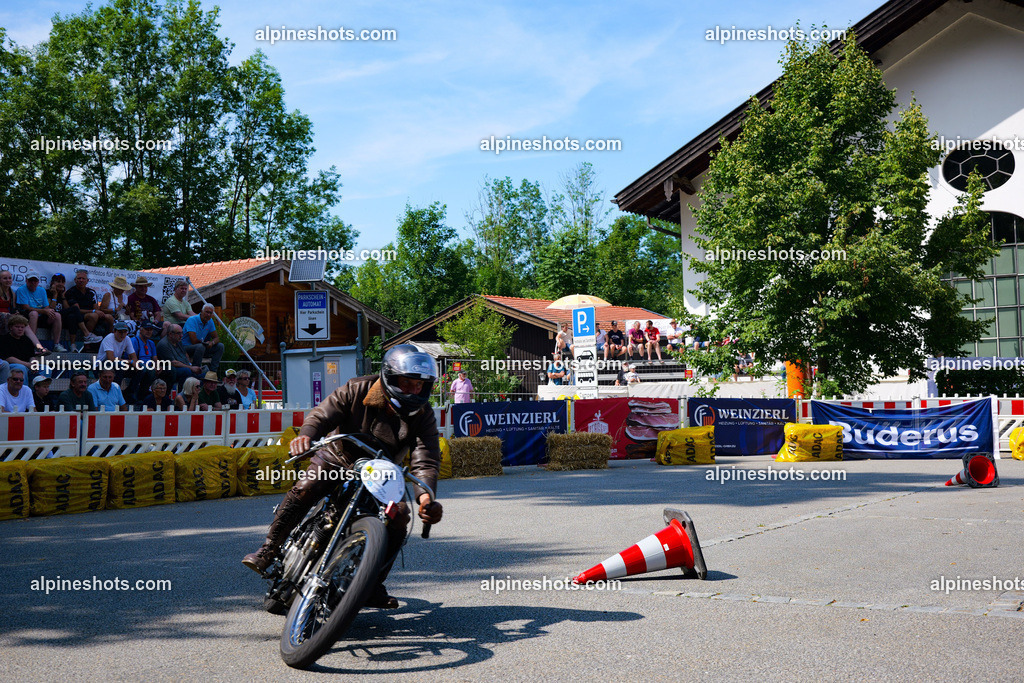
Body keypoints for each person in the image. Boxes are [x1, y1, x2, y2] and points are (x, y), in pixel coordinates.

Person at [242, 344, 444, 610]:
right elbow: (323, 414)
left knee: (400, 517)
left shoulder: (424, 414)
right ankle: (269, 549)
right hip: (338, 457)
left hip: (381, 473)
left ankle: (372, 584)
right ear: (390, 377)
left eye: (419, 385)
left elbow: (426, 459)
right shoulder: (358, 388)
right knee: (306, 487)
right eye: (407, 383)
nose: (414, 391)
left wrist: (426, 498)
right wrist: (306, 436)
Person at [0, 269, 49, 354]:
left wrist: (16, 313)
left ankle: (38, 347)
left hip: (8, 316)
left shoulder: (12, 293)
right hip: (2, 316)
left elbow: (14, 308)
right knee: (10, 319)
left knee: (23, 323)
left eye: (9, 278)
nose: (8, 280)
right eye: (5, 278)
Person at [16, 272, 63, 352]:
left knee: (57, 315)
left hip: (41, 315)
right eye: (31, 280)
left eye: (35, 281)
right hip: (27, 316)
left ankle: (56, 344)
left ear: (38, 282)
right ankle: (32, 344)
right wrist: (44, 311)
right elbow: (25, 307)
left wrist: (48, 311)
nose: (33, 283)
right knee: (34, 314)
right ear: (26, 281)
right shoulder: (21, 289)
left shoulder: (42, 290)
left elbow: (46, 306)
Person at [64, 269, 108, 344]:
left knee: (109, 317)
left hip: (90, 314)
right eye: (79, 278)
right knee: (93, 316)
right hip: (78, 315)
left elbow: (96, 308)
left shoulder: (92, 292)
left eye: (83, 278)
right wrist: (94, 311)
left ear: (87, 281)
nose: (81, 280)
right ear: (75, 280)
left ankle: (108, 341)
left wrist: (97, 312)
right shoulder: (71, 292)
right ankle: (87, 339)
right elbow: (76, 310)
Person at [156, 324, 202, 389]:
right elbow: (173, 363)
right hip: (172, 369)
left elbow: (185, 354)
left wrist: (190, 364)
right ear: (170, 334)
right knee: (187, 371)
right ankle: (183, 392)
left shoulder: (178, 341)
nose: (181, 335)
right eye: (178, 333)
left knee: (204, 374)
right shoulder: (163, 344)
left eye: (182, 333)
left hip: (185, 366)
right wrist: (190, 368)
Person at [183, 304, 224, 373]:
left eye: (210, 313)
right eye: (207, 312)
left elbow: (216, 338)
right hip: (186, 348)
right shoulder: (192, 320)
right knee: (200, 347)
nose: (208, 315)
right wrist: (205, 344)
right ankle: (197, 371)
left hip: (201, 347)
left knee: (220, 346)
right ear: (201, 311)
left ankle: (212, 372)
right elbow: (194, 341)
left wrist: (212, 343)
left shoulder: (210, 321)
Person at [97, 321, 139, 386]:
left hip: (116, 364)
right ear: (114, 331)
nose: (123, 334)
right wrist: (129, 361)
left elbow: (134, 357)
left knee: (141, 368)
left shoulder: (127, 339)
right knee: (120, 365)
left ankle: (131, 391)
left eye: (125, 332)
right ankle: (116, 389)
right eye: (120, 332)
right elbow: (110, 358)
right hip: (101, 365)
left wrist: (134, 364)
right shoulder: (109, 338)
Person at [0, 315, 39, 382]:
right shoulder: (4, 339)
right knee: (21, 368)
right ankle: (23, 388)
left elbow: (31, 356)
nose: (20, 329)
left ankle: (40, 388)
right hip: (11, 365)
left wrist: (33, 364)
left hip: (27, 365)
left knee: (45, 368)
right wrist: (28, 365)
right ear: (11, 327)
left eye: (22, 327)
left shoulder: (27, 340)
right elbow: (8, 358)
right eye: (17, 327)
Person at [128, 320, 160, 402]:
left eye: (151, 329)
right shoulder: (134, 341)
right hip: (135, 365)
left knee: (169, 370)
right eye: (146, 329)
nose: (149, 332)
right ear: (141, 329)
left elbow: (154, 357)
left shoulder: (151, 343)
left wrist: (158, 366)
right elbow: (132, 358)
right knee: (146, 369)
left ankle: (160, 396)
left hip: (148, 366)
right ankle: (134, 393)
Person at [47, 273, 72, 352]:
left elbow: (67, 309)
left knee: (73, 311)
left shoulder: (64, 295)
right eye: (58, 282)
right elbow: (51, 308)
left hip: (61, 319)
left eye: (62, 282)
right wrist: (55, 295)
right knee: (57, 315)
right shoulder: (47, 292)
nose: (61, 284)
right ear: (52, 283)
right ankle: (56, 344)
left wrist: (63, 296)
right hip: (49, 318)